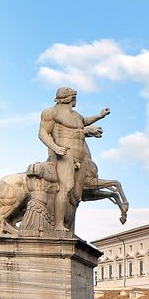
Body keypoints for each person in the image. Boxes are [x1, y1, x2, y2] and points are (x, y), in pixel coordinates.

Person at [37, 87, 109, 233]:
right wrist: (56, 148)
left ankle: (67, 224)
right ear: (70, 98)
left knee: (76, 195)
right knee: (66, 187)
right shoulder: (51, 112)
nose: (75, 100)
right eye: (75, 97)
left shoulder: (76, 115)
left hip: (80, 158)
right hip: (65, 154)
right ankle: (58, 225)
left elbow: (85, 121)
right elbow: (42, 133)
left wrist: (100, 115)